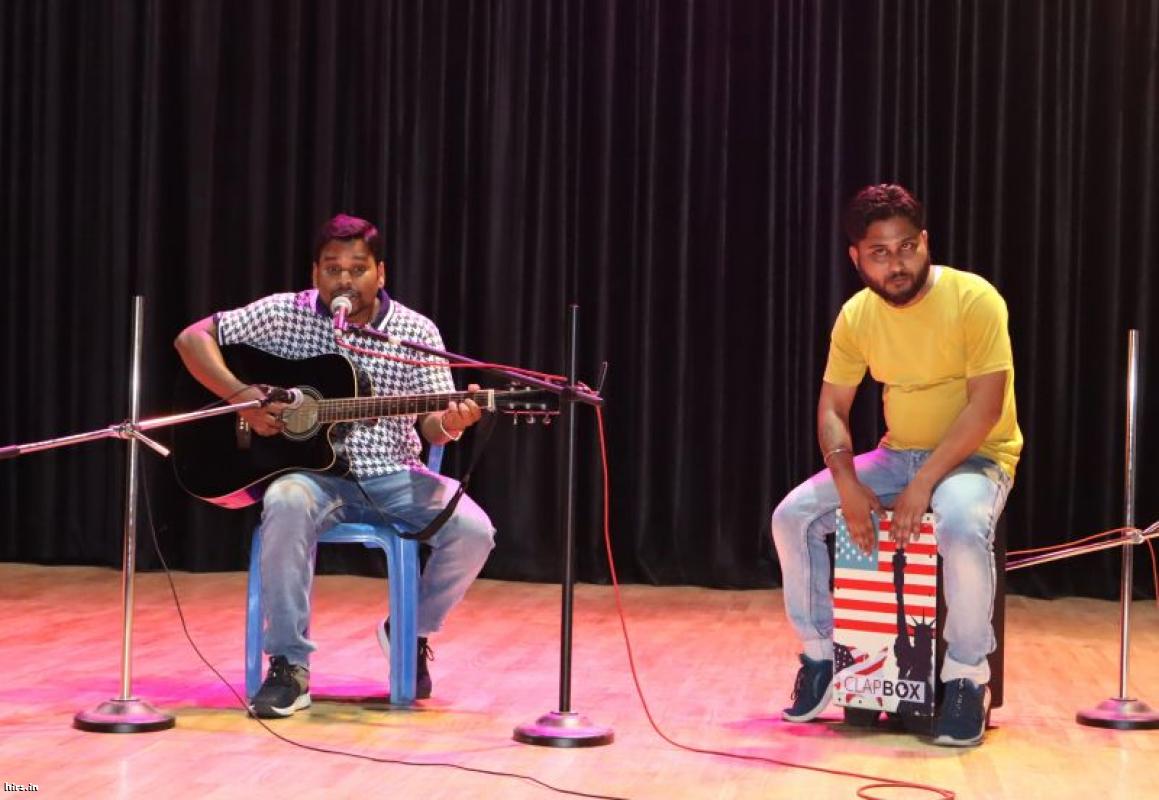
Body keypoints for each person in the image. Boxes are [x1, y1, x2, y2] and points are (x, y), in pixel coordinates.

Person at [175, 213, 496, 718]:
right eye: (332, 268)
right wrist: (241, 396)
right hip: (315, 478)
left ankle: (409, 631)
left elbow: (433, 426)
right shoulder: (285, 313)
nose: (344, 280)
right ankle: (289, 665)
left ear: (380, 273)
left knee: (474, 531)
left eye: (358, 268)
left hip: (394, 474)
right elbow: (192, 339)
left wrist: (453, 422)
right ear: (315, 273)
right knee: (284, 498)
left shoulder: (415, 331)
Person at [770, 184, 1022, 747]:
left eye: (907, 247)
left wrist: (923, 483)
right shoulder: (857, 315)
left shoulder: (974, 298)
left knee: (961, 525)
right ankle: (821, 657)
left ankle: (967, 678)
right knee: (792, 517)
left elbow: (985, 408)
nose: (897, 263)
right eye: (879, 253)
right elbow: (833, 409)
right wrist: (847, 481)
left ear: (925, 241)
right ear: (856, 257)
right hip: (896, 453)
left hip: (977, 456)